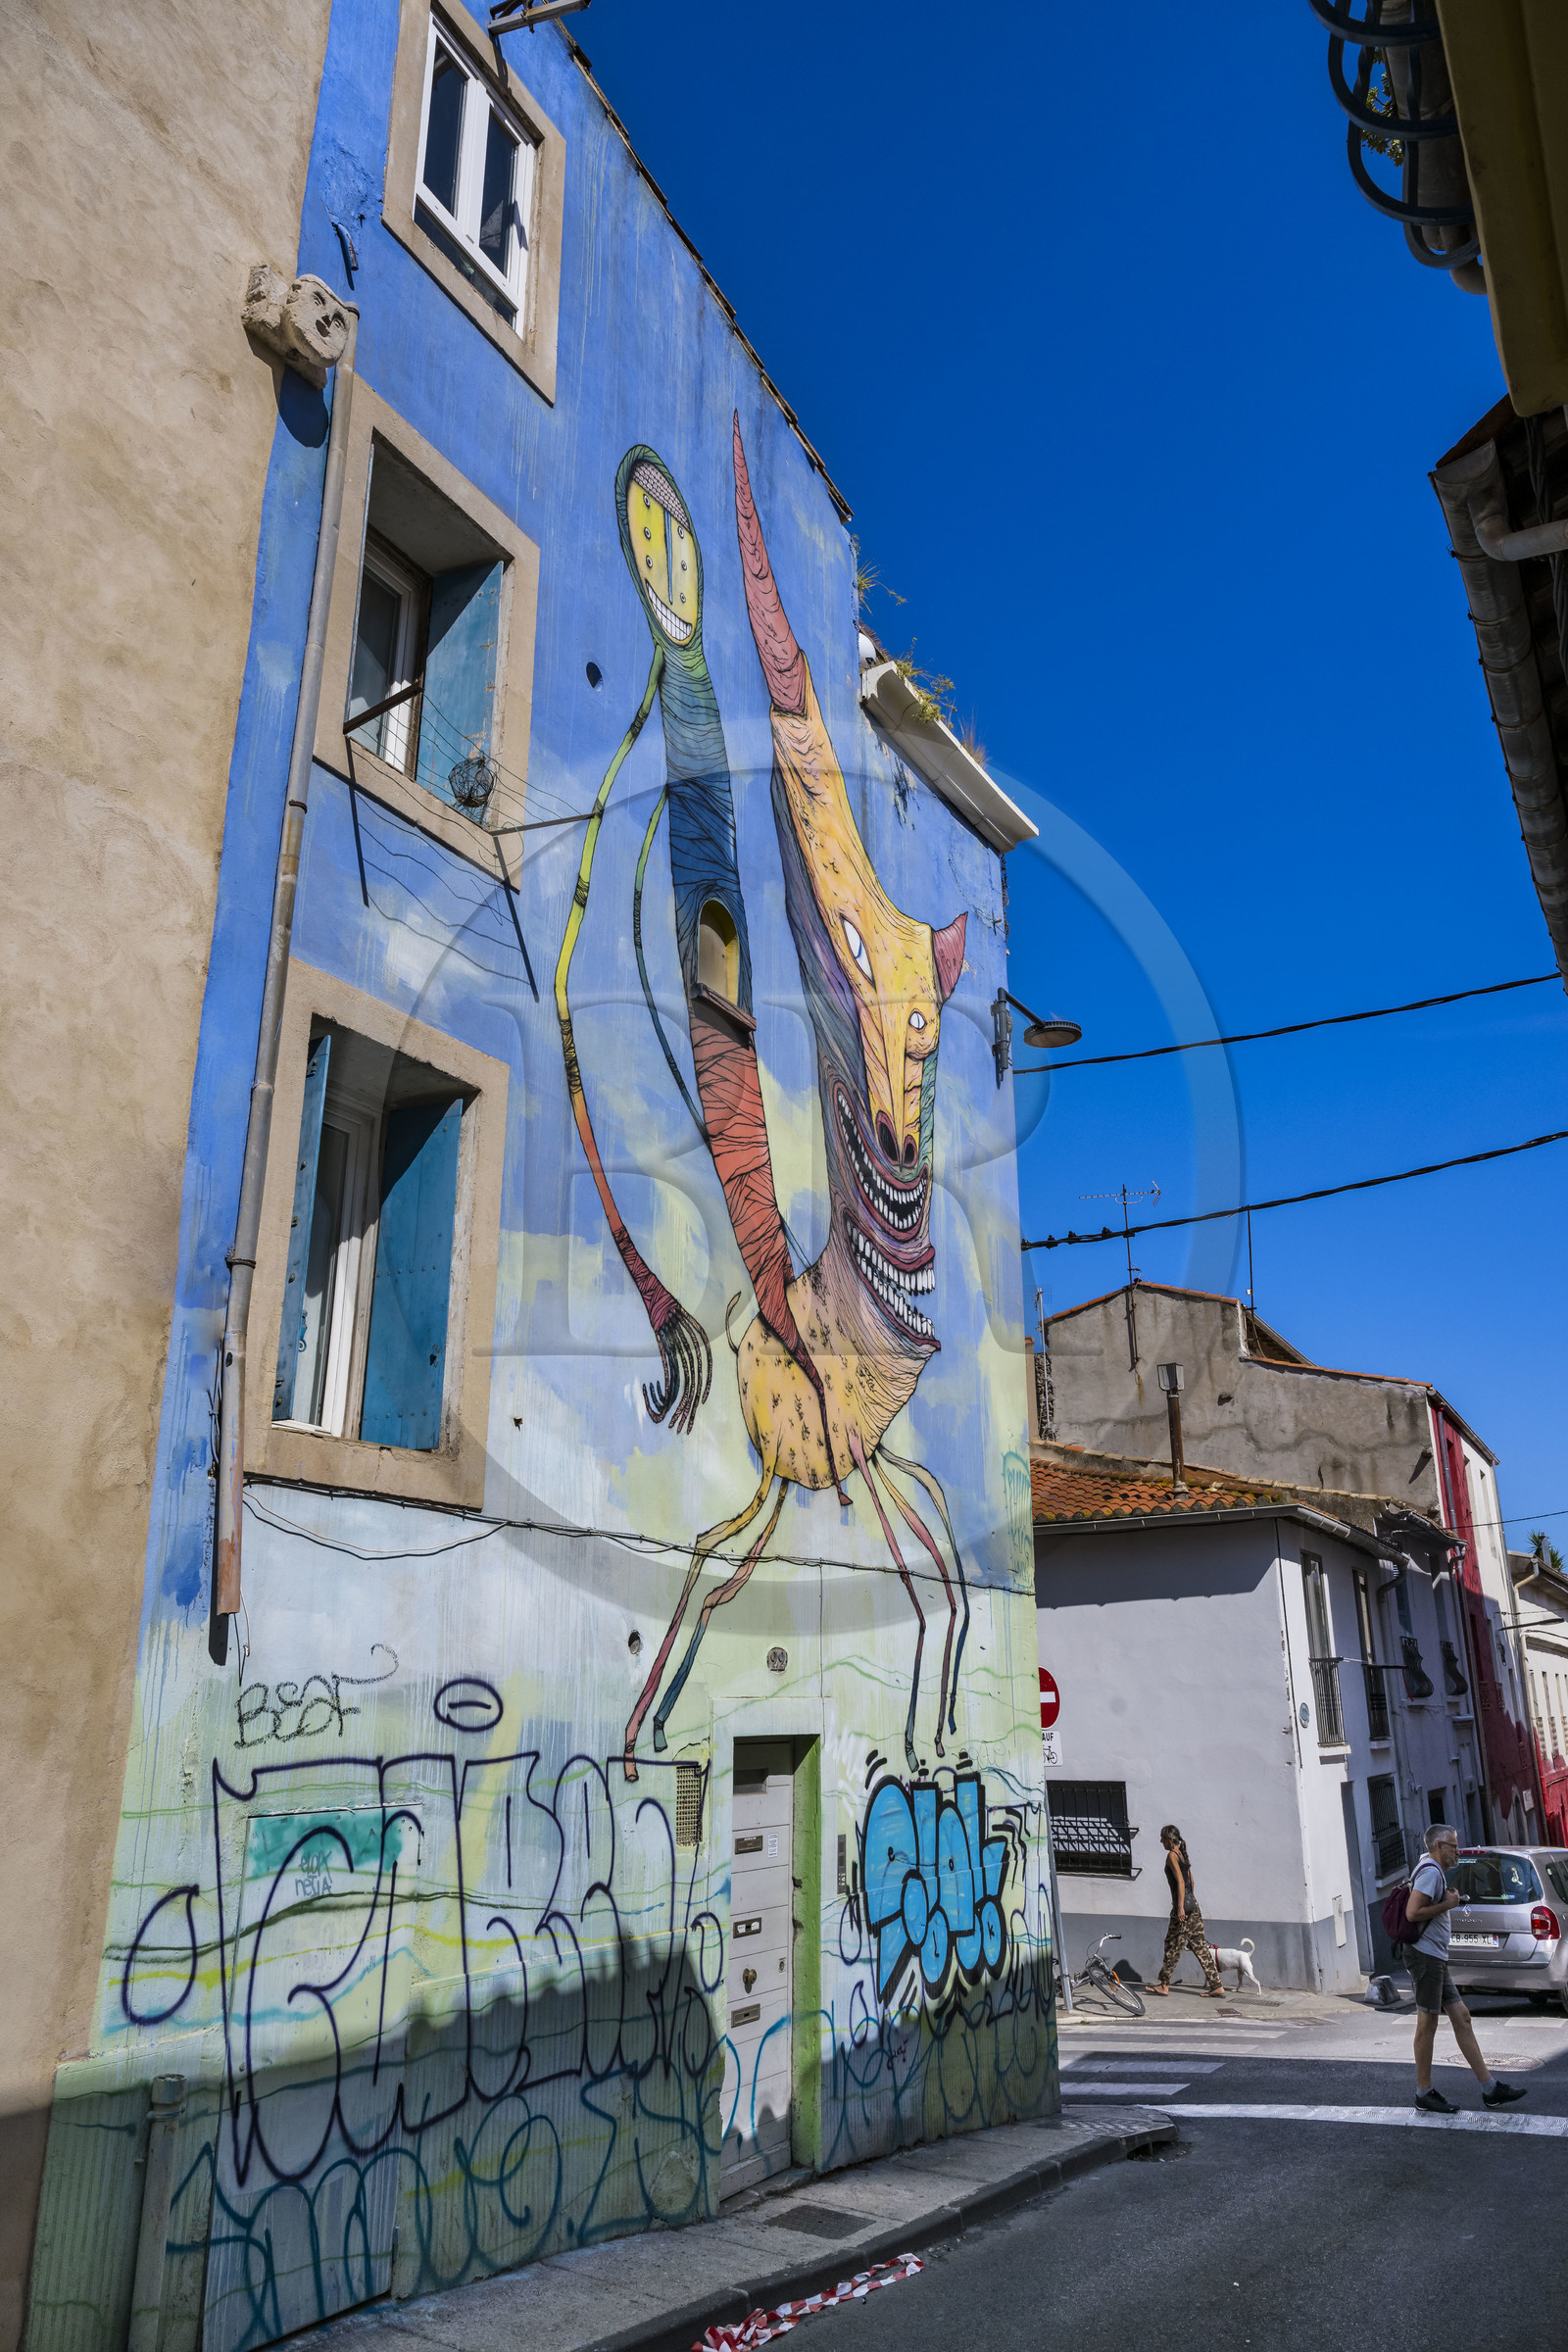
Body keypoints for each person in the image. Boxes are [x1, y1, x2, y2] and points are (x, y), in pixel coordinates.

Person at [1405, 1823, 1526, 2113]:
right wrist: (1449, 1904)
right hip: (1425, 1956)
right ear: (1438, 1847)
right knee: (1428, 2022)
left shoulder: (1430, 1867)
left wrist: (1448, 1902)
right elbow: (1412, 1913)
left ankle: (1490, 2088)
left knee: (1462, 2017)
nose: (1457, 1851)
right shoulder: (1431, 1872)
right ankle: (1424, 2093)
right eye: (1453, 1846)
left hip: (1434, 1955)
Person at [1149, 1824, 1224, 1998]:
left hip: (1182, 1908)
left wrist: (1181, 1906)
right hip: (1194, 1907)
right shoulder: (1182, 1854)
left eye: (1162, 1838)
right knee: (1199, 1946)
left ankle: (1164, 1984)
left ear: (1170, 1839)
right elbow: (1191, 1882)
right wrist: (1189, 1902)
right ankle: (1216, 1985)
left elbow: (1181, 1883)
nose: (1161, 1842)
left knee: (1172, 1944)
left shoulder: (1172, 1855)